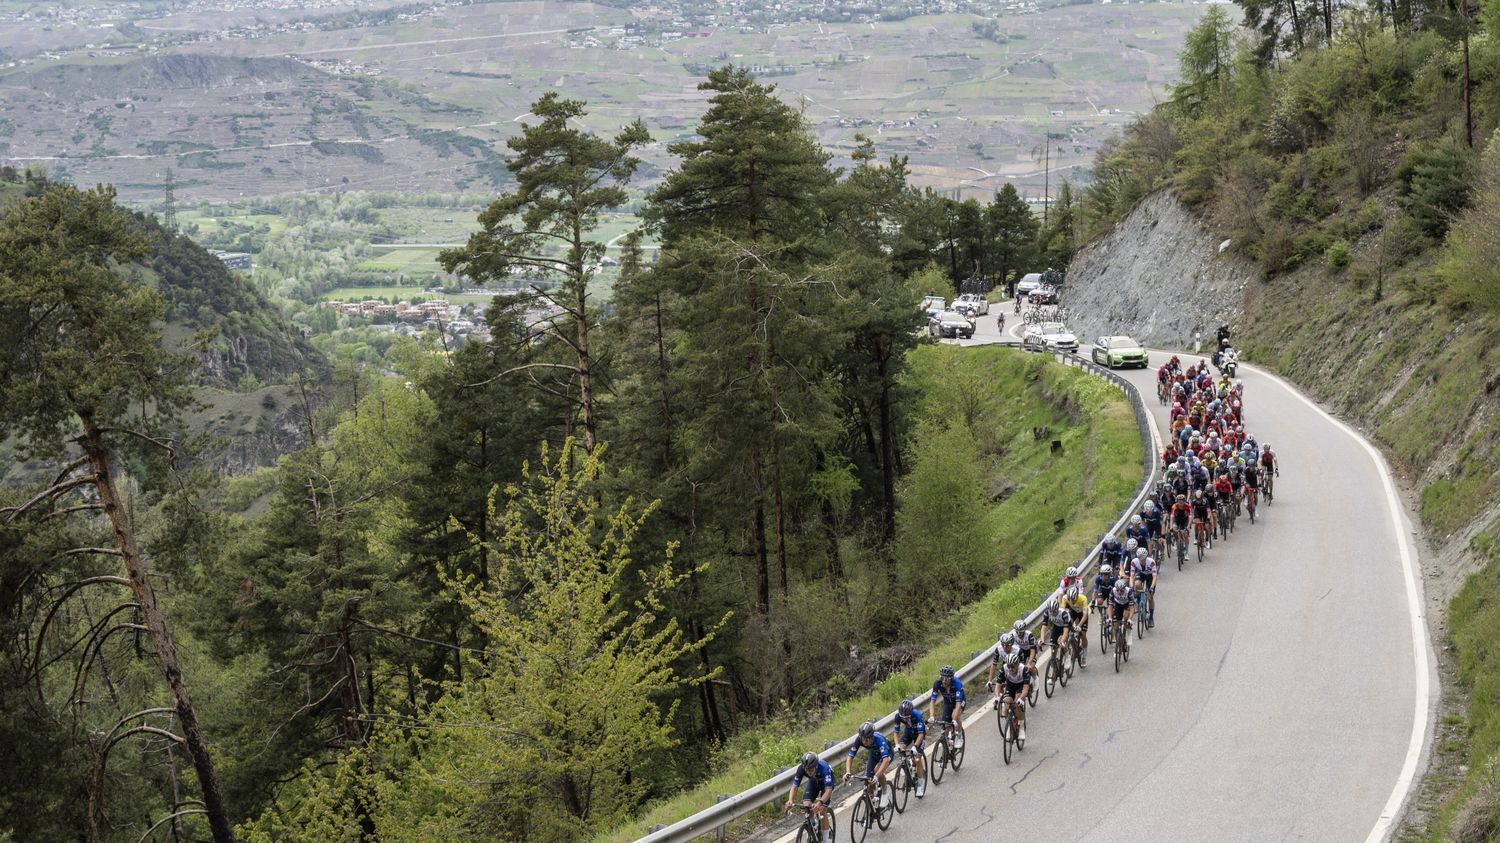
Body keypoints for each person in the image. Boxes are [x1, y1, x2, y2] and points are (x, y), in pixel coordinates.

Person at [786, 751, 836, 842]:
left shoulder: (824, 768)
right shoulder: (801, 769)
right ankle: (813, 829)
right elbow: (795, 786)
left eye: (811, 770)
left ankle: (825, 840)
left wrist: (819, 803)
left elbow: (828, 791)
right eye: (807, 770)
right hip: (814, 784)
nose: (809, 772)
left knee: (821, 810)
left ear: (816, 766)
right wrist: (790, 800)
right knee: (807, 804)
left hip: (827, 786)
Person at [844, 721, 893, 809]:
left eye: (867, 739)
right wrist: (848, 772)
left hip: (886, 754)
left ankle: (885, 792)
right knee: (868, 780)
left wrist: (877, 776)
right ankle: (872, 803)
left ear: (872, 736)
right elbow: (850, 757)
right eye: (863, 739)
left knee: (877, 770)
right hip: (874, 755)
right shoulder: (859, 739)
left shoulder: (879, 739)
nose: (864, 741)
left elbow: (885, 761)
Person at [891, 700, 928, 796]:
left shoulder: (917, 715)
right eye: (903, 717)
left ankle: (920, 784)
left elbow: (920, 734)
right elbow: (896, 732)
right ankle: (906, 764)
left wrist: (915, 747)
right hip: (908, 732)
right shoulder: (898, 716)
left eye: (907, 716)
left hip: (919, 734)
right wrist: (897, 745)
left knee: (917, 759)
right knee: (901, 749)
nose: (905, 718)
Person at [993, 653, 1033, 741]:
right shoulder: (1004, 669)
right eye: (1009, 666)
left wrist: (1021, 699)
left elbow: (1026, 689)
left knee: (1017, 705)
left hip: (1021, 685)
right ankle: (1009, 724)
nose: (1010, 669)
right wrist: (997, 697)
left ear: (1017, 664)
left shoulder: (1024, 669)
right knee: (1006, 703)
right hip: (1010, 685)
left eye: (1013, 666)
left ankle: (1021, 726)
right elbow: (998, 685)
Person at [929, 666, 967, 747]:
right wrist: (931, 715)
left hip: (959, 702)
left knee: (955, 716)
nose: (944, 680)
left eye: (947, 678)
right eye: (943, 677)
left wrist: (954, 720)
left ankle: (960, 736)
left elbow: (958, 705)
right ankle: (946, 751)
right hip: (948, 703)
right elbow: (932, 701)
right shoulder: (937, 683)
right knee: (945, 727)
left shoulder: (957, 684)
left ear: (951, 678)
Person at [1061, 585, 1091, 665]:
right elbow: (1062, 612)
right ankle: (1070, 640)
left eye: (1074, 600)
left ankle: (1084, 656)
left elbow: (1085, 615)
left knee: (1083, 634)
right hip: (1073, 611)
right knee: (1067, 624)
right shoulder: (1065, 598)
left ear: (1077, 596)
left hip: (1082, 613)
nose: (1072, 602)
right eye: (1071, 600)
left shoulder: (1083, 598)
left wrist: (1079, 626)